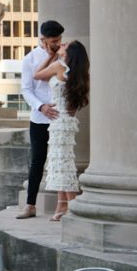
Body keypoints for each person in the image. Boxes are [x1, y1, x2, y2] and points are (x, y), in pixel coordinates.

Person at [33, 40, 91, 220]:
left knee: (62, 164)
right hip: (67, 119)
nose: (62, 43)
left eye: (66, 44)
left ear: (70, 51)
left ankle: (72, 205)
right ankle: (62, 205)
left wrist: (51, 55)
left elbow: (37, 75)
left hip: (59, 120)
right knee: (61, 162)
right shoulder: (79, 73)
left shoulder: (59, 65)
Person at [18, 20, 64, 218]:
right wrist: (41, 107)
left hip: (61, 117)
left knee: (62, 160)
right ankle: (30, 205)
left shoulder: (65, 55)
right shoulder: (30, 59)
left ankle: (63, 206)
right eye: (53, 40)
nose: (57, 43)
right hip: (39, 118)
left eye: (59, 39)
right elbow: (26, 90)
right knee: (37, 160)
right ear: (43, 39)